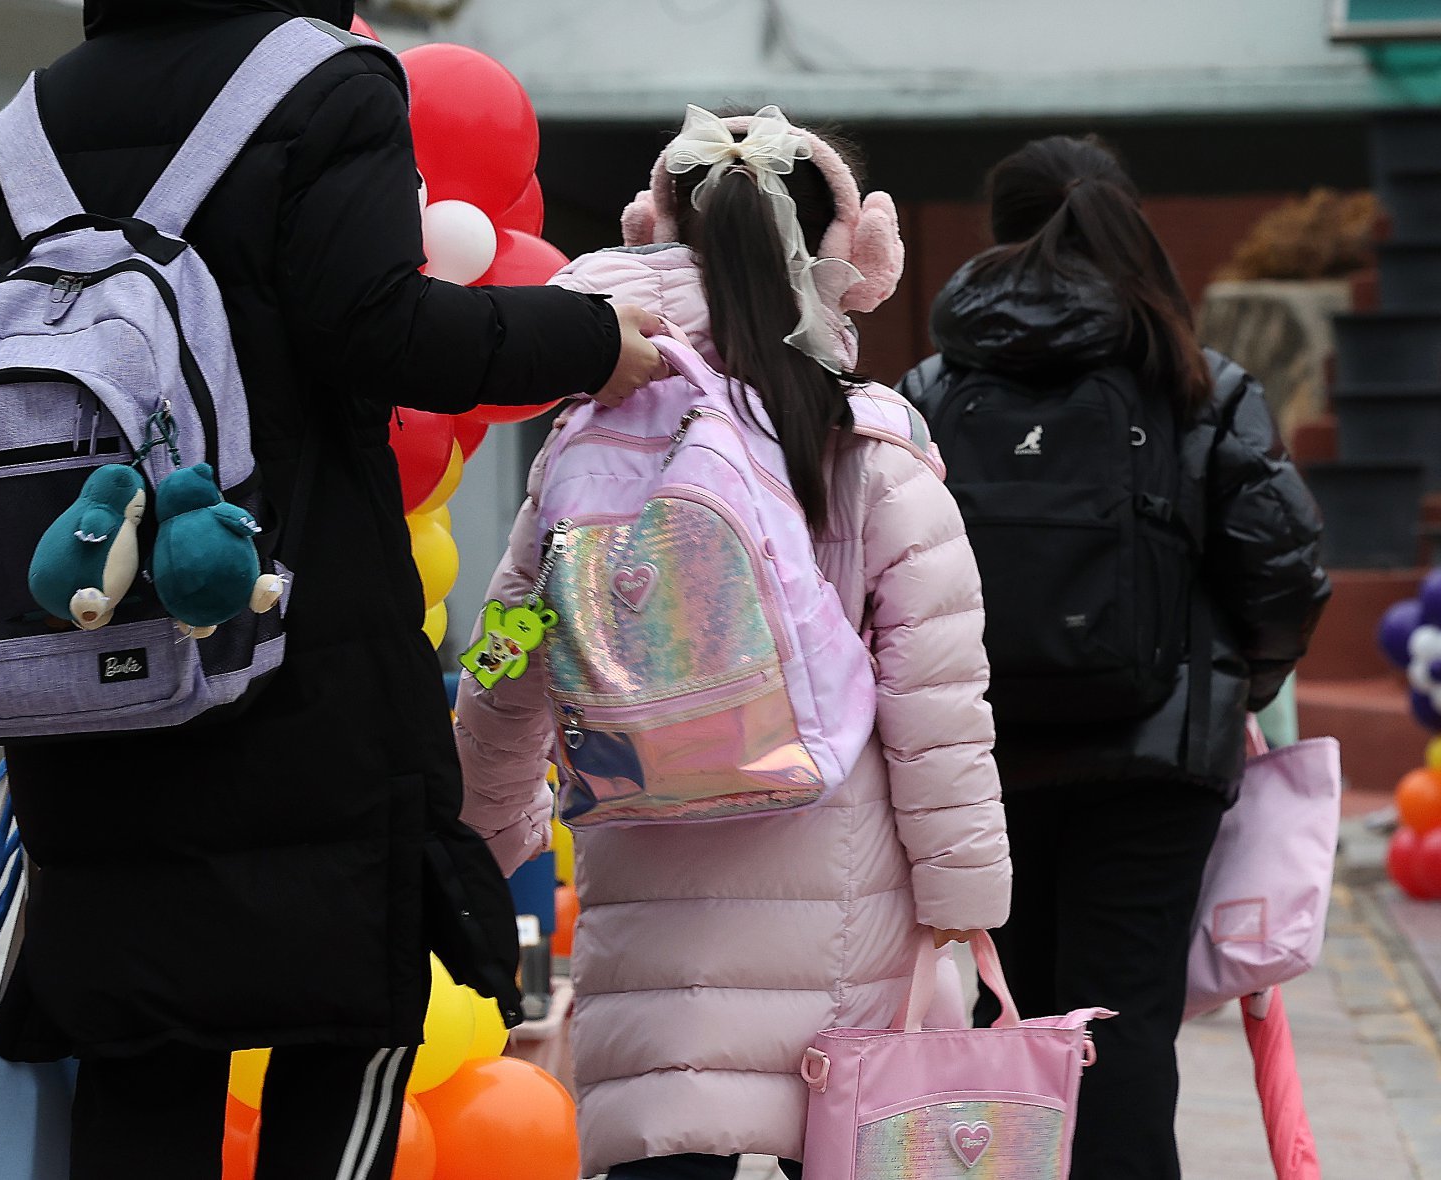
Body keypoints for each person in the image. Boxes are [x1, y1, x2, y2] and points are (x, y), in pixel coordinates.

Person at [0, 3, 666, 1178]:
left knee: (140, 1045)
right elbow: (379, 327)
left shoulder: (25, 124)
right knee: (349, 1024)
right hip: (299, 660)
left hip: (86, 672)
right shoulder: (327, 85)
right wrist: (584, 339)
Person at [453, 106, 1012, 1180]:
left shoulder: (587, 445)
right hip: (843, 894)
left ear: (653, 234)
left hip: (647, 883)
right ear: (847, 258)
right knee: (844, 1143)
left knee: (669, 1148)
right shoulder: (867, 447)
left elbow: (507, 648)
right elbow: (937, 699)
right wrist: (963, 903)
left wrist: (483, 830)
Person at [898, 135, 1330, 1180]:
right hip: (1154, 757)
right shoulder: (1195, 381)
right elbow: (1282, 572)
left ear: (1004, 231)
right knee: (1121, 1024)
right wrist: (1230, 685)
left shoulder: (929, 386)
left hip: (984, 755)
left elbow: (882, 574)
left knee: (1018, 1017)